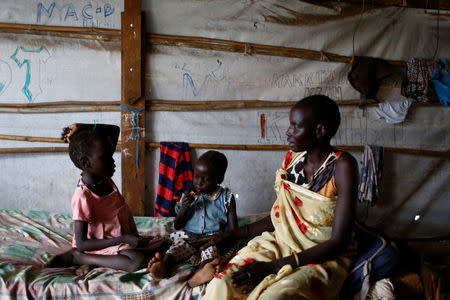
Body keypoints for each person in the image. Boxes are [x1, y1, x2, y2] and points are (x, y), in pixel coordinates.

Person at [198, 95, 359, 299]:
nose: (288, 133)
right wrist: (230, 235)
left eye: (295, 126)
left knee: (275, 296)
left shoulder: (342, 166)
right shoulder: (293, 160)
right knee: (222, 284)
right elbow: (280, 218)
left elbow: (339, 242)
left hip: (320, 255)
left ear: (319, 131)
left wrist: (273, 267)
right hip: (280, 243)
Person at [47, 123, 164, 272]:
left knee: (163, 246)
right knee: (137, 262)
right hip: (100, 244)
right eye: (106, 157)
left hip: (119, 239)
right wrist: (123, 239)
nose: (113, 161)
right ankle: (78, 258)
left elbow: (114, 129)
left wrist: (79, 127)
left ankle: (97, 262)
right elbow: (81, 244)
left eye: (111, 155)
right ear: (85, 162)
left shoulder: (103, 177)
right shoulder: (83, 196)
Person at [148, 150, 238, 286]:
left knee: (210, 255)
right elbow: (177, 225)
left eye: (205, 179)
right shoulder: (188, 195)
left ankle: (201, 273)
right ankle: (163, 267)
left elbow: (234, 231)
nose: (198, 183)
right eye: (196, 177)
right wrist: (184, 208)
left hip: (211, 239)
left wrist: (217, 240)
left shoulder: (226, 198)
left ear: (219, 178)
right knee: (174, 250)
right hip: (190, 237)